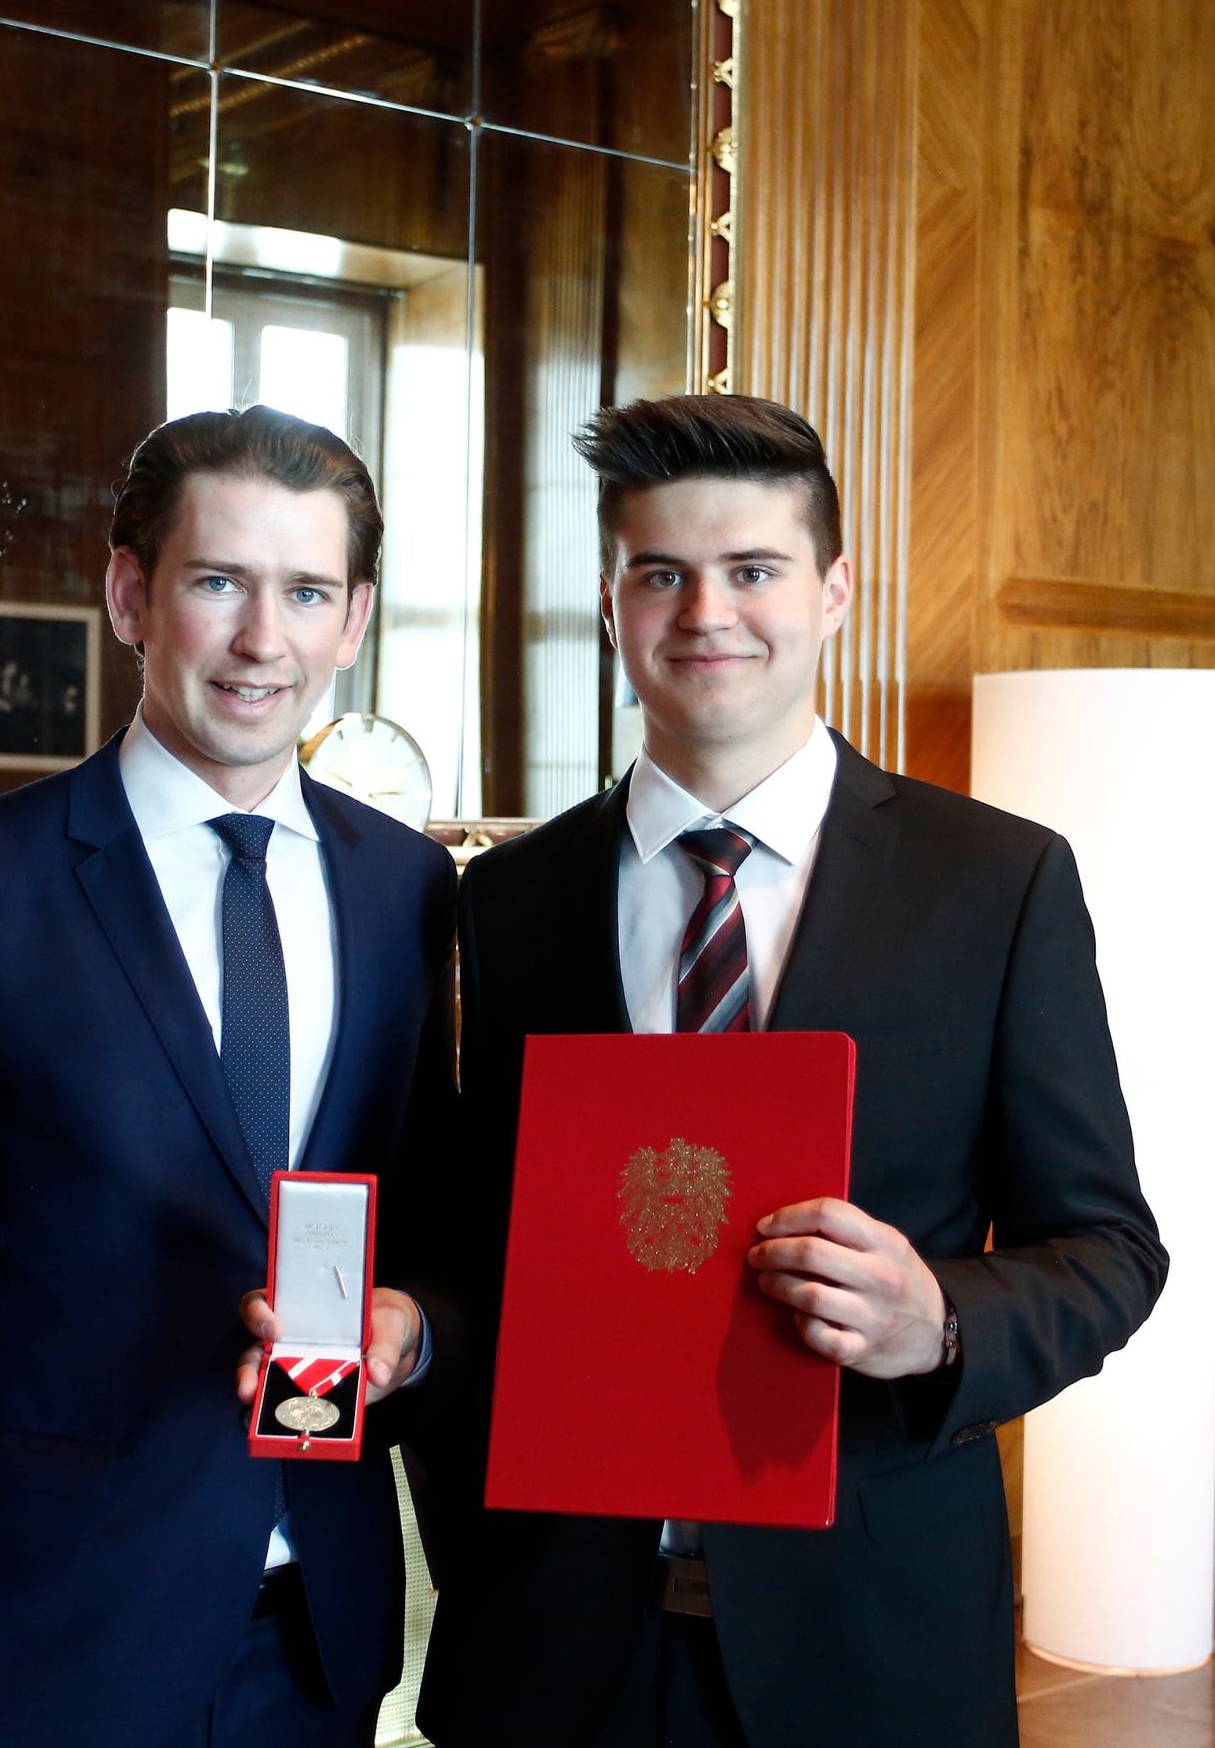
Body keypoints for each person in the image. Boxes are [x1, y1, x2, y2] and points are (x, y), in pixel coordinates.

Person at [416, 393, 1167, 1748]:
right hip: (552, 1637)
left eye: (751, 570)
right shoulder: (503, 902)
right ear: (610, 605)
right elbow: (471, 1248)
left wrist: (934, 1319)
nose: (705, 612)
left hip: (870, 1634)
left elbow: (1108, 1251)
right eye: (661, 574)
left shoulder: (993, 882)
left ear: (830, 592)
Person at [0, 405, 457, 1748]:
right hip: (45, 1643)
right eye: (218, 582)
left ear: (355, 618)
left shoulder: (408, 890)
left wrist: (416, 1325)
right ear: (128, 595)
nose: (261, 639)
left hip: (322, 1646)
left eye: (306, 592)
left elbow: (437, 1220)